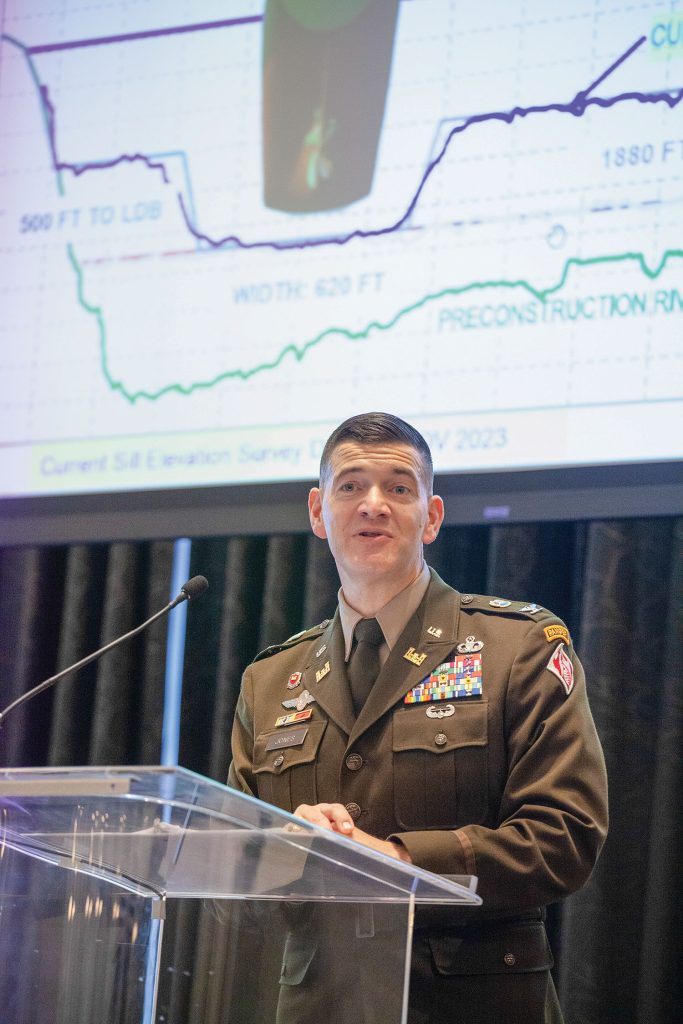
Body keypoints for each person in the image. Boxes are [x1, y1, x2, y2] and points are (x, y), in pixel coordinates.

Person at [228, 412, 608, 1024]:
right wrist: (287, 847)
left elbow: (565, 837)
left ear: (431, 517)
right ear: (318, 513)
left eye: (398, 488)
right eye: (350, 486)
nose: (372, 504)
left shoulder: (519, 647)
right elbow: (234, 878)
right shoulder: (270, 680)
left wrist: (399, 863)